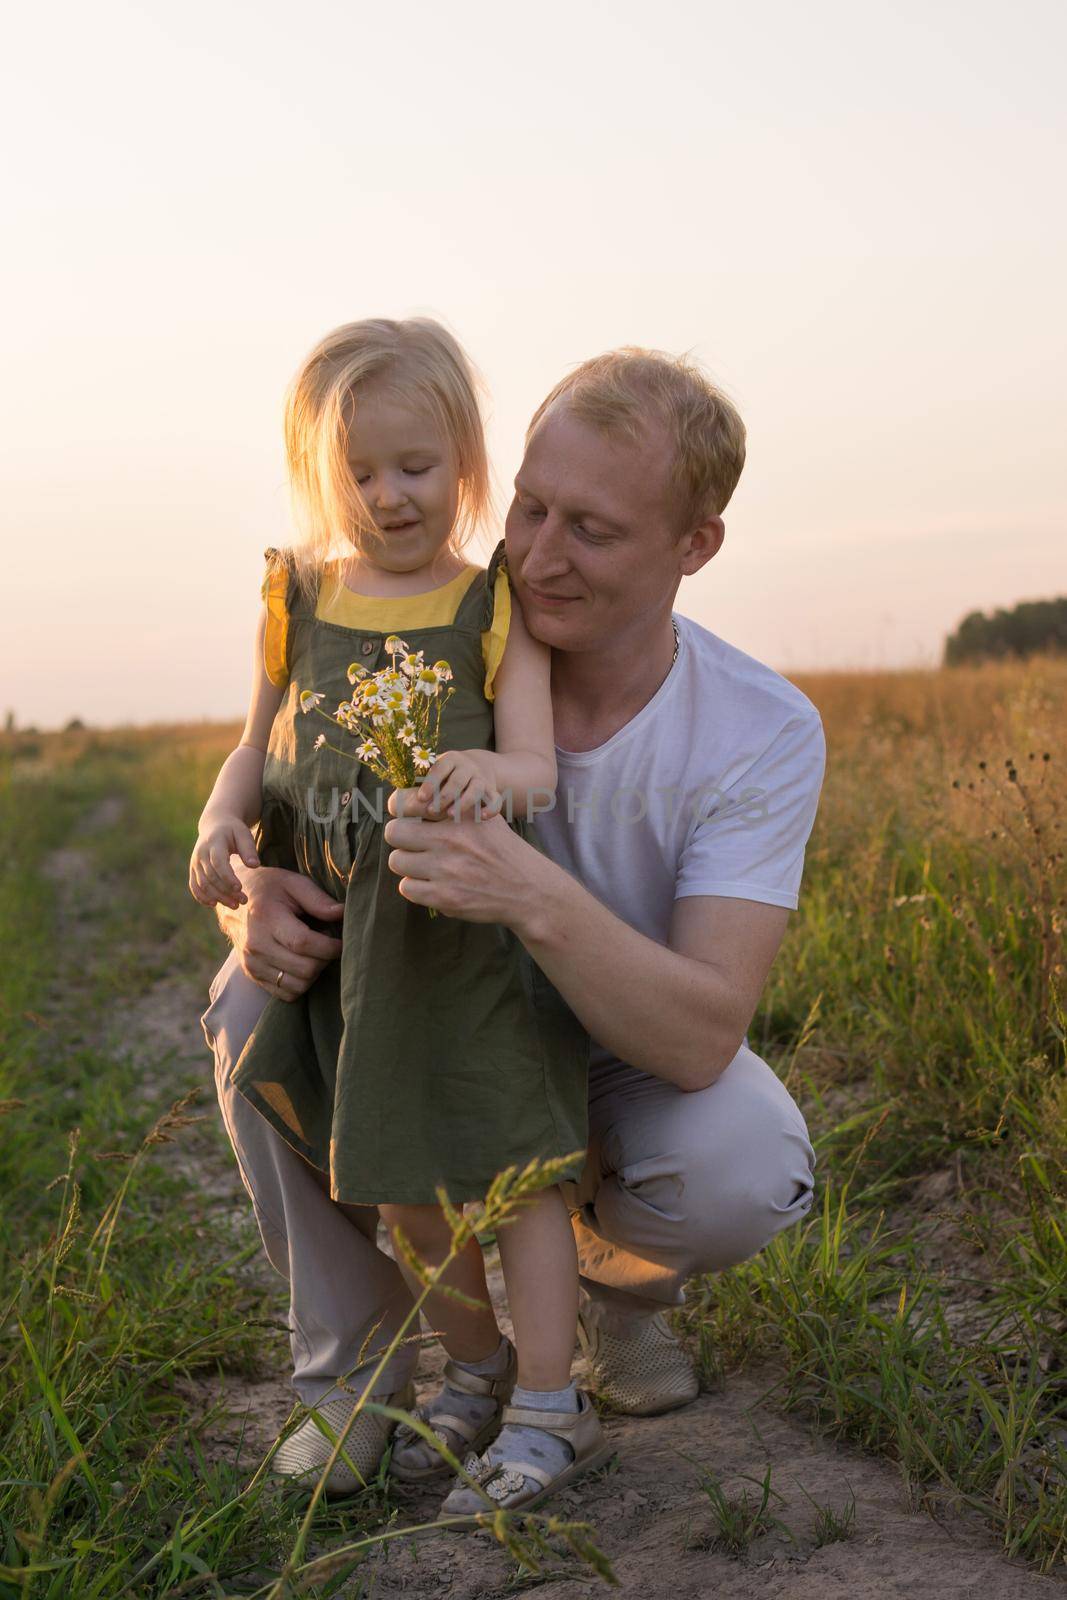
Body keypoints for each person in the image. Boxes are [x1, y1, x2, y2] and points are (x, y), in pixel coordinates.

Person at [201, 343, 824, 1514]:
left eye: (588, 530)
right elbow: (295, 770)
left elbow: (698, 1036)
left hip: (625, 1052)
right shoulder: (418, 620)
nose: (535, 554)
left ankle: (614, 1304)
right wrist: (251, 898)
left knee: (740, 1161)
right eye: (530, 508)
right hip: (422, 997)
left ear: (694, 547)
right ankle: (364, 1369)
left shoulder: (760, 729)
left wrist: (517, 885)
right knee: (244, 1010)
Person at [190, 317, 613, 1517]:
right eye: (359, 473)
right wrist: (217, 821)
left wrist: (493, 781)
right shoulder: (298, 592)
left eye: (414, 468)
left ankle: (547, 1401)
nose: (387, 496)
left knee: (514, 1172)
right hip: (347, 954)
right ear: (323, 477)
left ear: (464, 462)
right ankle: (471, 1371)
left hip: (464, 938)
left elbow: (534, 763)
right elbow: (251, 742)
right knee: (403, 1183)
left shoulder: (489, 602)